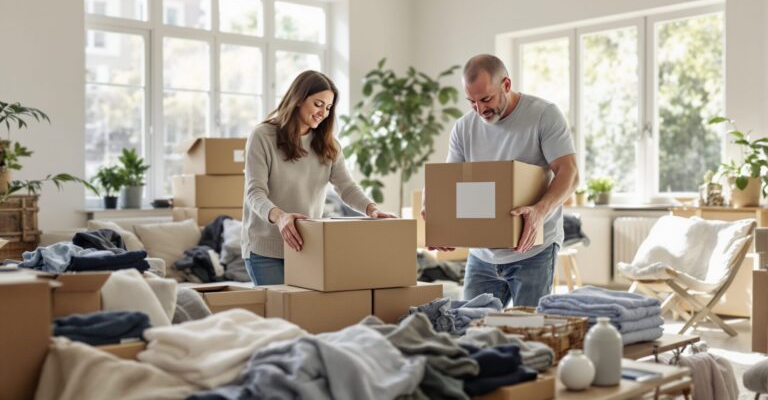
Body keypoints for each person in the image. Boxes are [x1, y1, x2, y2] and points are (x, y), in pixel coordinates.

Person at [424, 54, 578, 307]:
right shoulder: (464, 128)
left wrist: (540, 211)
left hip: (533, 249)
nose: (480, 109)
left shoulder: (543, 115)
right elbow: (446, 181)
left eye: (486, 99)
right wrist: (436, 214)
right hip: (482, 254)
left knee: (529, 334)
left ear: (506, 85)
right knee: (470, 330)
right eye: (471, 102)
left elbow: (569, 173)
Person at [241, 70, 394, 285]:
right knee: (279, 316)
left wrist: (372, 209)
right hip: (265, 249)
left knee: (305, 316)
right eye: (318, 104)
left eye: (329, 108)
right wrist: (281, 217)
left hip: (307, 246)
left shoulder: (328, 144)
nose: (323, 112)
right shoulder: (263, 136)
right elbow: (254, 192)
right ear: (298, 99)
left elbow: (346, 187)